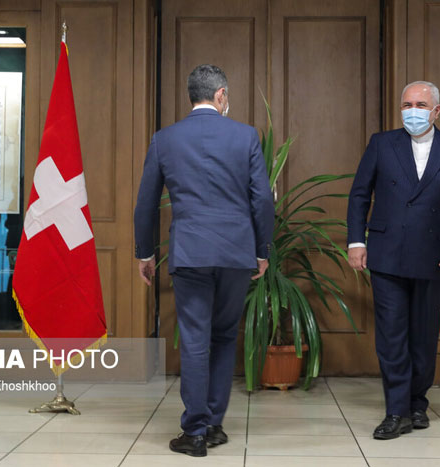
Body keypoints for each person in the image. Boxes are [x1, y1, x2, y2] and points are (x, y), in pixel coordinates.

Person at [134, 64, 274, 457]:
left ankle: (194, 431)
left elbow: (145, 203)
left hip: (190, 252)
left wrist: (145, 253)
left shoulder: (165, 139)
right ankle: (213, 425)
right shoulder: (246, 136)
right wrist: (262, 251)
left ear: (191, 95)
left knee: (195, 339)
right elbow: (262, 200)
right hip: (236, 253)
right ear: (221, 95)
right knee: (224, 335)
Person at [346, 81, 440, 440]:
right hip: (386, 254)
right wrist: (356, 241)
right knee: (391, 336)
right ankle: (396, 411)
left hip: (434, 256)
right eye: (407, 105)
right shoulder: (381, 143)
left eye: (420, 105)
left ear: (436, 111)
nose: (412, 111)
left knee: (423, 336)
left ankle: (417, 403)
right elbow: (359, 195)